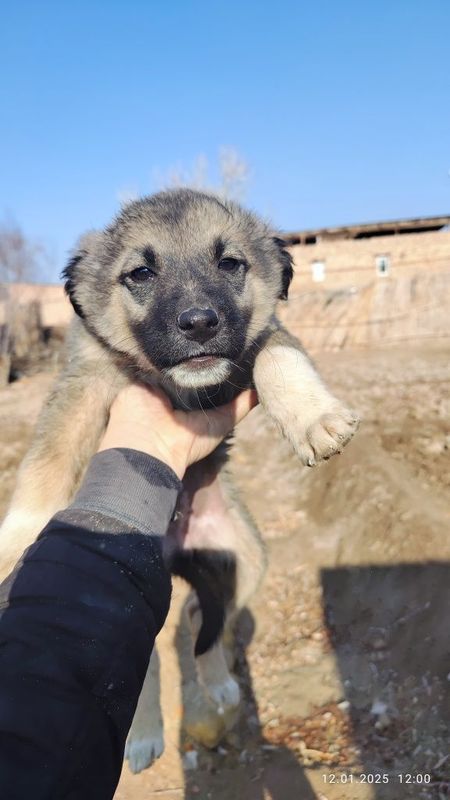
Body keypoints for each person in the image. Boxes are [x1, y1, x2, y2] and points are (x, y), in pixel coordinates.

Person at [0, 384, 257, 800]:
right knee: (124, 616)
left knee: (234, 573)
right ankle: (145, 714)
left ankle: (208, 652)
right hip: (122, 483)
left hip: (177, 484)